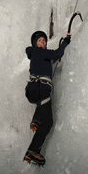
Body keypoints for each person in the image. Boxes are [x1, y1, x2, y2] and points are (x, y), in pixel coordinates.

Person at [24, 30, 71, 166]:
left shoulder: (39, 55)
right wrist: (65, 43)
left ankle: (36, 122)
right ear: (34, 43)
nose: (42, 42)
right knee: (48, 122)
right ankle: (32, 151)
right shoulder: (37, 51)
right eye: (40, 40)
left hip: (36, 91)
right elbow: (56, 54)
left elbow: (53, 57)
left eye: (44, 41)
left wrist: (57, 53)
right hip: (39, 89)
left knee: (45, 115)